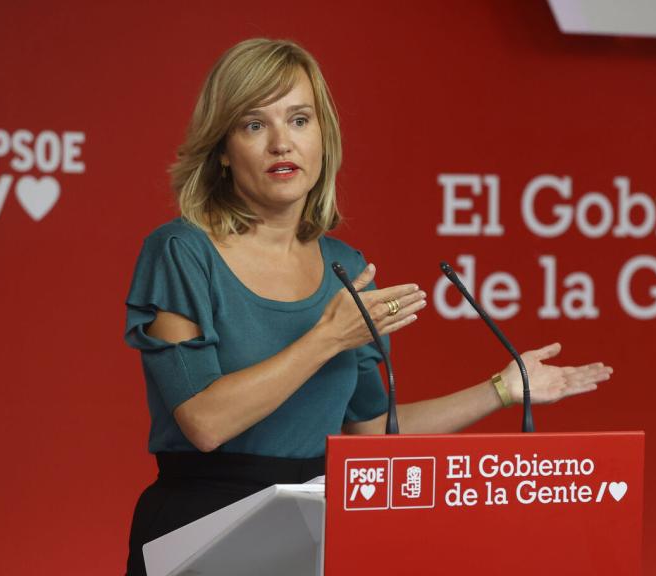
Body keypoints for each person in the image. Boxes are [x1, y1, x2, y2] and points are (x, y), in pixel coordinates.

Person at [122, 38, 613, 575]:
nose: (281, 143)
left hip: (314, 531)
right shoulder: (182, 252)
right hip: (203, 530)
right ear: (222, 147)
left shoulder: (344, 266)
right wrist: (327, 338)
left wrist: (501, 389)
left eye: (300, 120)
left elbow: (370, 435)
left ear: (323, 137)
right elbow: (205, 422)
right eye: (254, 125)